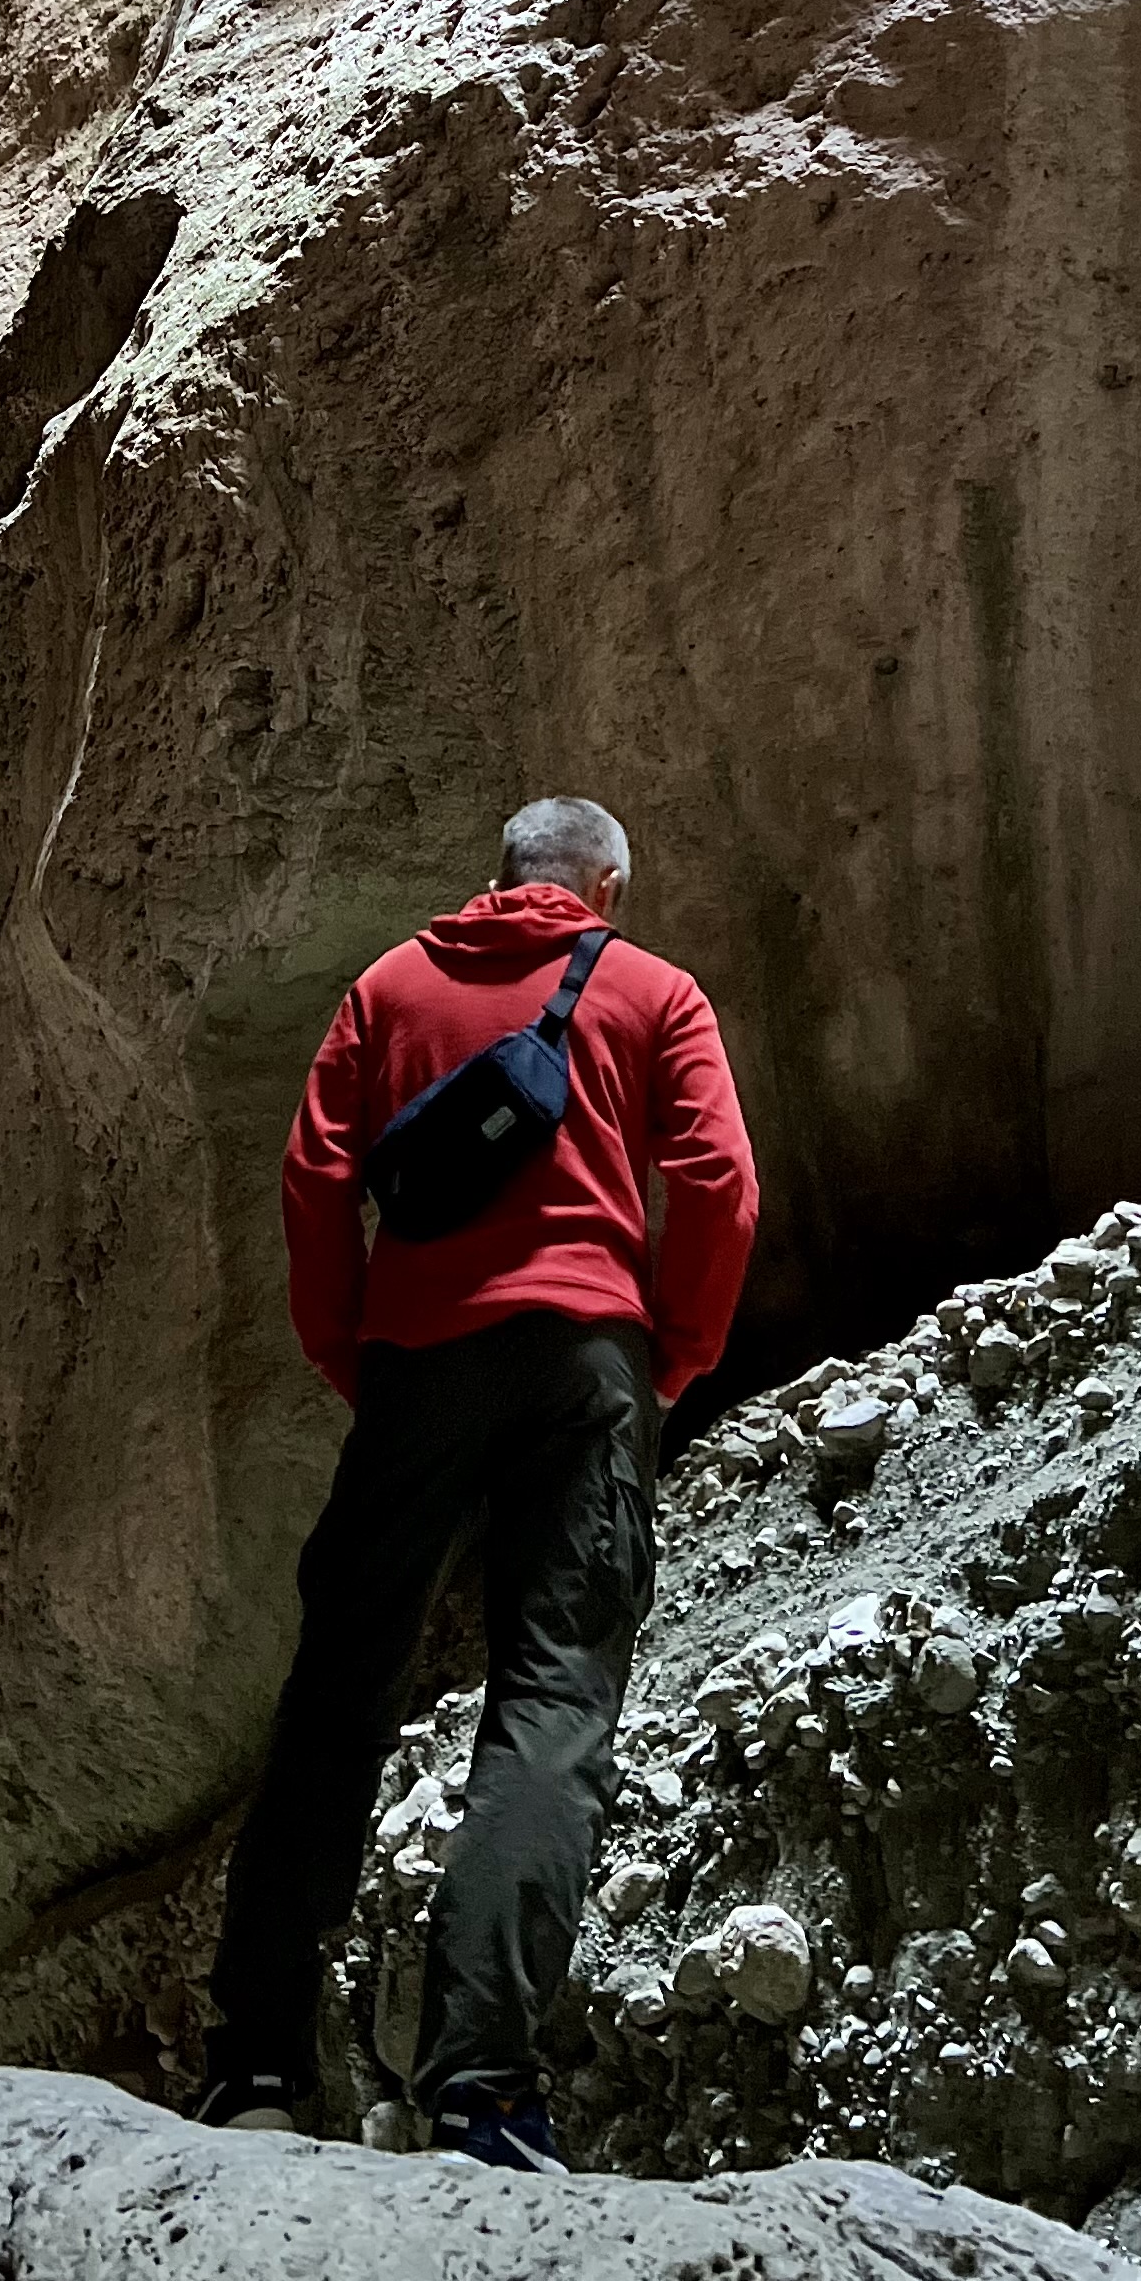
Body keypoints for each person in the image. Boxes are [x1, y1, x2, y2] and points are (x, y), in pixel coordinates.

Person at [196, 792, 758, 2168]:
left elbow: (315, 1182)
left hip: (417, 1363)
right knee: (553, 1696)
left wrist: (359, 1357)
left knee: (339, 1695)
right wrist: (671, 1354)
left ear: (495, 879)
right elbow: (721, 1182)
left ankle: (259, 2064)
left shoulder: (386, 990)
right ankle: (480, 2094)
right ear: (606, 887)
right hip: (587, 1363)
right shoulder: (652, 990)